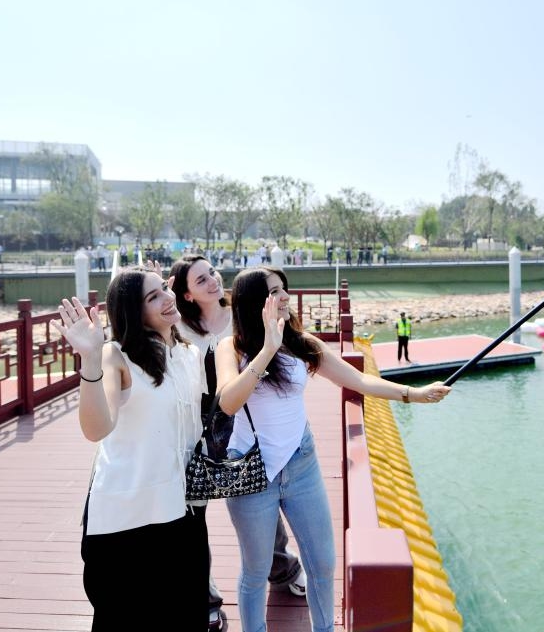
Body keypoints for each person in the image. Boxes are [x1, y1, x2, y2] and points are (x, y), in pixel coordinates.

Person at [215, 266, 451, 632]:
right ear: (253, 303)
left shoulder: (302, 343)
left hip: (301, 464)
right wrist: (268, 349)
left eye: (284, 289)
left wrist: (413, 394)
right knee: (256, 570)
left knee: (323, 564)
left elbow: (357, 379)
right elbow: (228, 402)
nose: (284, 297)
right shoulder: (231, 348)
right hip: (251, 471)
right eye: (274, 292)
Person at [50, 267, 209, 630]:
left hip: (182, 511)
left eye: (165, 289)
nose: (167, 298)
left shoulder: (189, 354)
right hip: (126, 518)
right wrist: (90, 359)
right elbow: (96, 429)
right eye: (153, 297)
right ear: (133, 312)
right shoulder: (115, 356)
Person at [169, 255, 306, 632]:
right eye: (201, 280)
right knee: (192, 512)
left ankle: (283, 568)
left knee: (259, 493)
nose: (213, 281)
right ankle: (205, 598)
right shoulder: (177, 326)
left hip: (244, 417)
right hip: (195, 421)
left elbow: (284, 341)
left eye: (212, 273)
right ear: (186, 294)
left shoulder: (241, 312)